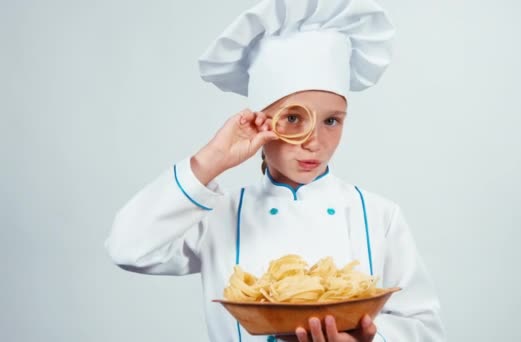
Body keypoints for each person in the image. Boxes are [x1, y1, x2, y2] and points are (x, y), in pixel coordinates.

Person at [105, 0, 445, 341]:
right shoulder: (218, 216)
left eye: (331, 121)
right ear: (261, 122)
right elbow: (128, 247)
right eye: (294, 118)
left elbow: (424, 327)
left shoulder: (378, 215)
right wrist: (214, 158)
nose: (314, 142)